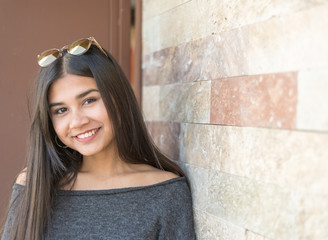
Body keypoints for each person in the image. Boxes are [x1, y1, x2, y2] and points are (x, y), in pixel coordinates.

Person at [1, 37, 195, 240]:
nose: (77, 121)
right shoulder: (35, 184)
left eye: (89, 100)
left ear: (118, 98)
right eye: (61, 110)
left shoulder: (166, 193)